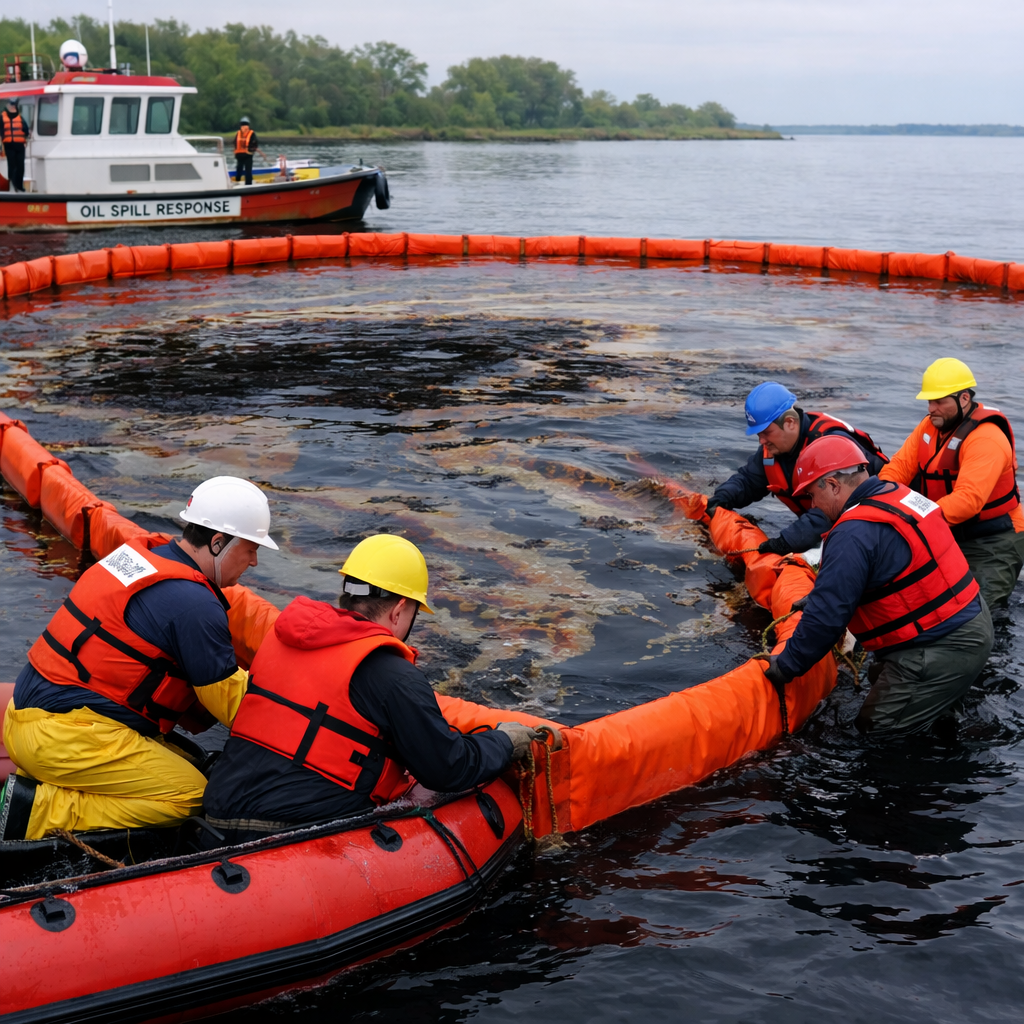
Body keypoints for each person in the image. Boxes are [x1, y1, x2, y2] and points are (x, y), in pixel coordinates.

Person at [201, 534, 541, 844]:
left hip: (216, 811)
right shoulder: (393, 676)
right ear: (400, 610)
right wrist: (503, 742)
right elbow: (447, 768)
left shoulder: (280, 640)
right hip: (289, 832)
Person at [0, 477, 279, 841]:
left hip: (23, 719)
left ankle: (44, 787)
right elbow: (234, 707)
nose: (254, 562)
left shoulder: (139, 555)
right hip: (60, 739)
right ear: (217, 543)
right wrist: (293, 706)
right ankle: (35, 810)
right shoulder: (195, 605)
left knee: (192, 762)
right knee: (191, 795)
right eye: (250, 549)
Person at [762, 435, 993, 737]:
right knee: (925, 712)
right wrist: (822, 594)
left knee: (876, 733)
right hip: (973, 622)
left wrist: (785, 666)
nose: (813, 505)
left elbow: (827, 618)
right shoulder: (901, 495)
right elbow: (891, 568)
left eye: (812, 495)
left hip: (941, 645)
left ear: (833, 485)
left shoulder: (852, 532)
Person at [879, 358, 1024, 616]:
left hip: (993, 539)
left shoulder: (987, 438)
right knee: (917, 600)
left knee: (976, 615)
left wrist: (911, 520)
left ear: (964, 398)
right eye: (929, 401)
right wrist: (878, 505)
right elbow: (897, 468)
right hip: (947, 529)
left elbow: (967, 501)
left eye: (939, 402)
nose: (931, 408)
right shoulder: (929, 426)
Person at [707, 381, 888, 555]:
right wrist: (721, 498)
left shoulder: (832, 446)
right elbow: (748, 480)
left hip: (874, 526)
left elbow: (829, 509)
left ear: (790, 422)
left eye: (766, 433)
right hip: (828, 526)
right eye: (758, 434)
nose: (761, 441)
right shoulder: (773, 450)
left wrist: (786, 542)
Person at [1, 98, 30, 193]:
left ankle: (19, 186)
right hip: (8, 145)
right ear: (7, 105)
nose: (13, 106)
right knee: (12, 166)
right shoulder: (2, 117)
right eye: (11, 104)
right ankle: (12, 186)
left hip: (20, 146)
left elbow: (26, 131)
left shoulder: (20, 118)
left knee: (20, 166)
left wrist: (27, 137)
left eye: (14, 104)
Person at [233, 117, 266, 186]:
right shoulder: (251, 133)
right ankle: (248, 184)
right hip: (248, 154)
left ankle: (237, 182)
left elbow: (234, 142)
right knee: (248, 170)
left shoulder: (238, 133)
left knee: (239, 168)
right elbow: (254, 143)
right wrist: (253, 150)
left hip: (239, 154)